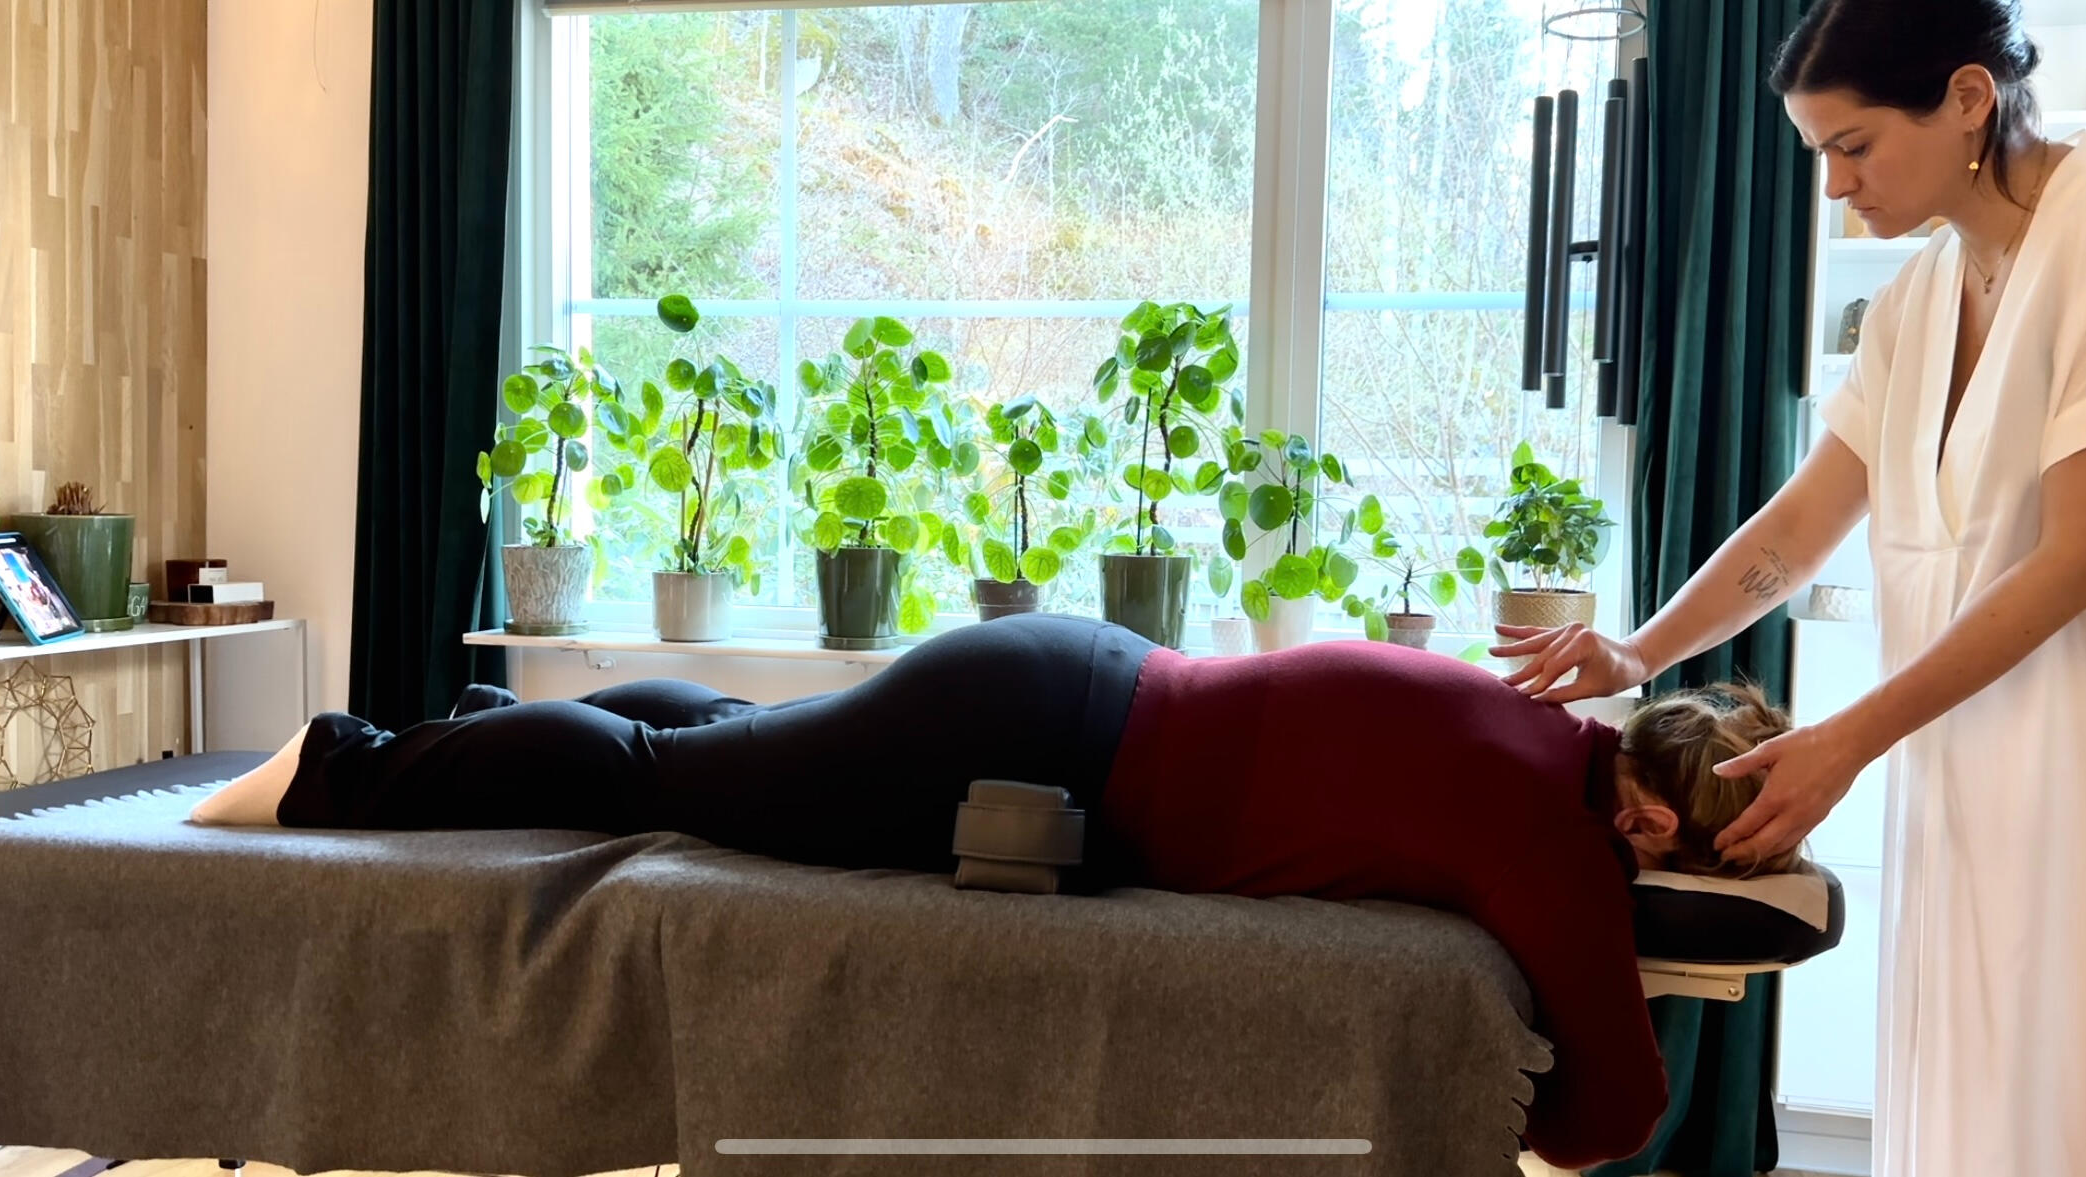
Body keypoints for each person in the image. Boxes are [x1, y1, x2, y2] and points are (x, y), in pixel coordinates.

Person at [191, 612, 1800, 1169]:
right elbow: (1610, 1119)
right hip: (1036, 745)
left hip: (1066, 682)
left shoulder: (1527, 722)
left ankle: (480, 730)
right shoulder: (1552, 837)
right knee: (671, 783)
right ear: (1658, 822)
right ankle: (347, 764)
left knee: (737, 748)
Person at [1489, 3, 2086, 1173]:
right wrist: (1638, 651)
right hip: (1955, 768)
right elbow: (1803, 524)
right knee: (1962, 1092)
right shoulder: (1919, 296)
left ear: (1967, 98)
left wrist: (1846, 739)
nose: (1833, 185)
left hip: (2059, 762)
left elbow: (2069, 558)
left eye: (1852, 145)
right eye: (1820, 152)